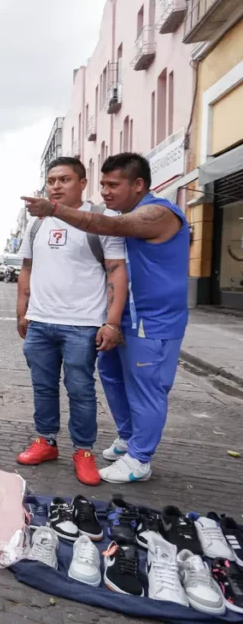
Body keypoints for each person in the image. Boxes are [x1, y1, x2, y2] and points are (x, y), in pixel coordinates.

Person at [22, 152, 189, 484]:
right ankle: (128, 439)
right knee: (113, 381)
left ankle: (140, 458)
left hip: (152, 321)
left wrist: (54, 209)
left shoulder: (158, 212)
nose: (107, 192)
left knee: (145, 388)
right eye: (103, 184)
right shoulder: (115, 214)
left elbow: (112, 226)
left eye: (113, 185)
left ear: (138, 184)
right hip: (119, 317)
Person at [15, 157, 128, 486]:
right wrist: (22, 311)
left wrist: (112, 322)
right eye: (51, 180)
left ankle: (83, 450)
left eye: (64, 179)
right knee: (43, 386)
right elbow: (27, 268)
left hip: (82, 324)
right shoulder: (36, 222)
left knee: (80, 389)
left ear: (82, 182)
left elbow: (116, 270)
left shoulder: (102, 219)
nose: (56, 186)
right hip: (40, 322)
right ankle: (45, 441)